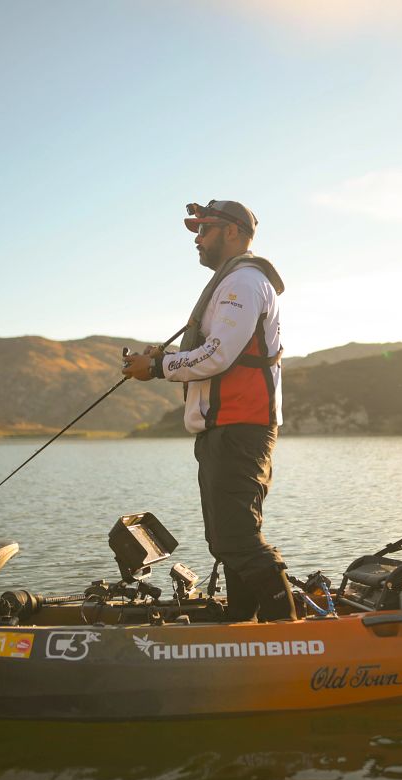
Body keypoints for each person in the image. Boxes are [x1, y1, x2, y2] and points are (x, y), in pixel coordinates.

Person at [122, 200, 296, 622]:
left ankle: (289, 629)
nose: (197, 240)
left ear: (232, 233)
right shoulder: (233, 283)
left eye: (205, 230)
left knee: (237, 538)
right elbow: (214, 351)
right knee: (226, 538)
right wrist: (164, 359)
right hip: (225, 430)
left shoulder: (243, 284)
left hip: (241, 428)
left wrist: (159, 366)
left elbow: (218, 355)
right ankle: (241, 620)